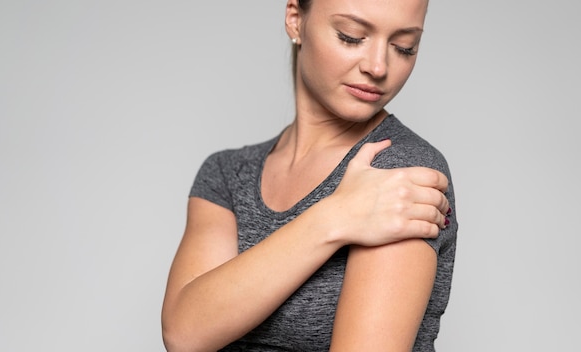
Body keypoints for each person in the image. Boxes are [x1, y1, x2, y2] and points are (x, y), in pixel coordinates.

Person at [161, 0, 458, 351]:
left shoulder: (400, 173)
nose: (379, 66)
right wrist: (335, 216)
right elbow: (185, 334)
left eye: (404, 46)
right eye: (351, 37)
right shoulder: (228, 174)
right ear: (295, 19)